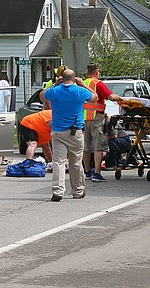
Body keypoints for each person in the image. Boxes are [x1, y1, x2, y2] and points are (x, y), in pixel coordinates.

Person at [40, 68, 99, 201]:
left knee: (58, 162)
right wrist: (83, 84)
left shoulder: (54, 91)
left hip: (58, 131)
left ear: (61, 78)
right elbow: (95, 98)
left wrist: (55, 84)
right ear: (74, 79)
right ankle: (78, 190)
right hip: (75, 131)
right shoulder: (80, 91)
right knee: (76, 162)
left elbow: (42, 96)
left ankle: (58, 191)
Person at [81, 63, 123, 182]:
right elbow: (110, 97)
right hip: (96, 118)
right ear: (97, 72)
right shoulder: (97, 84)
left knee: (86, 146)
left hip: (83, 118)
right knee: (99, 146)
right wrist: (121, 98)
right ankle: (97, 173)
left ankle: (87, 171)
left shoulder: (82, 83)